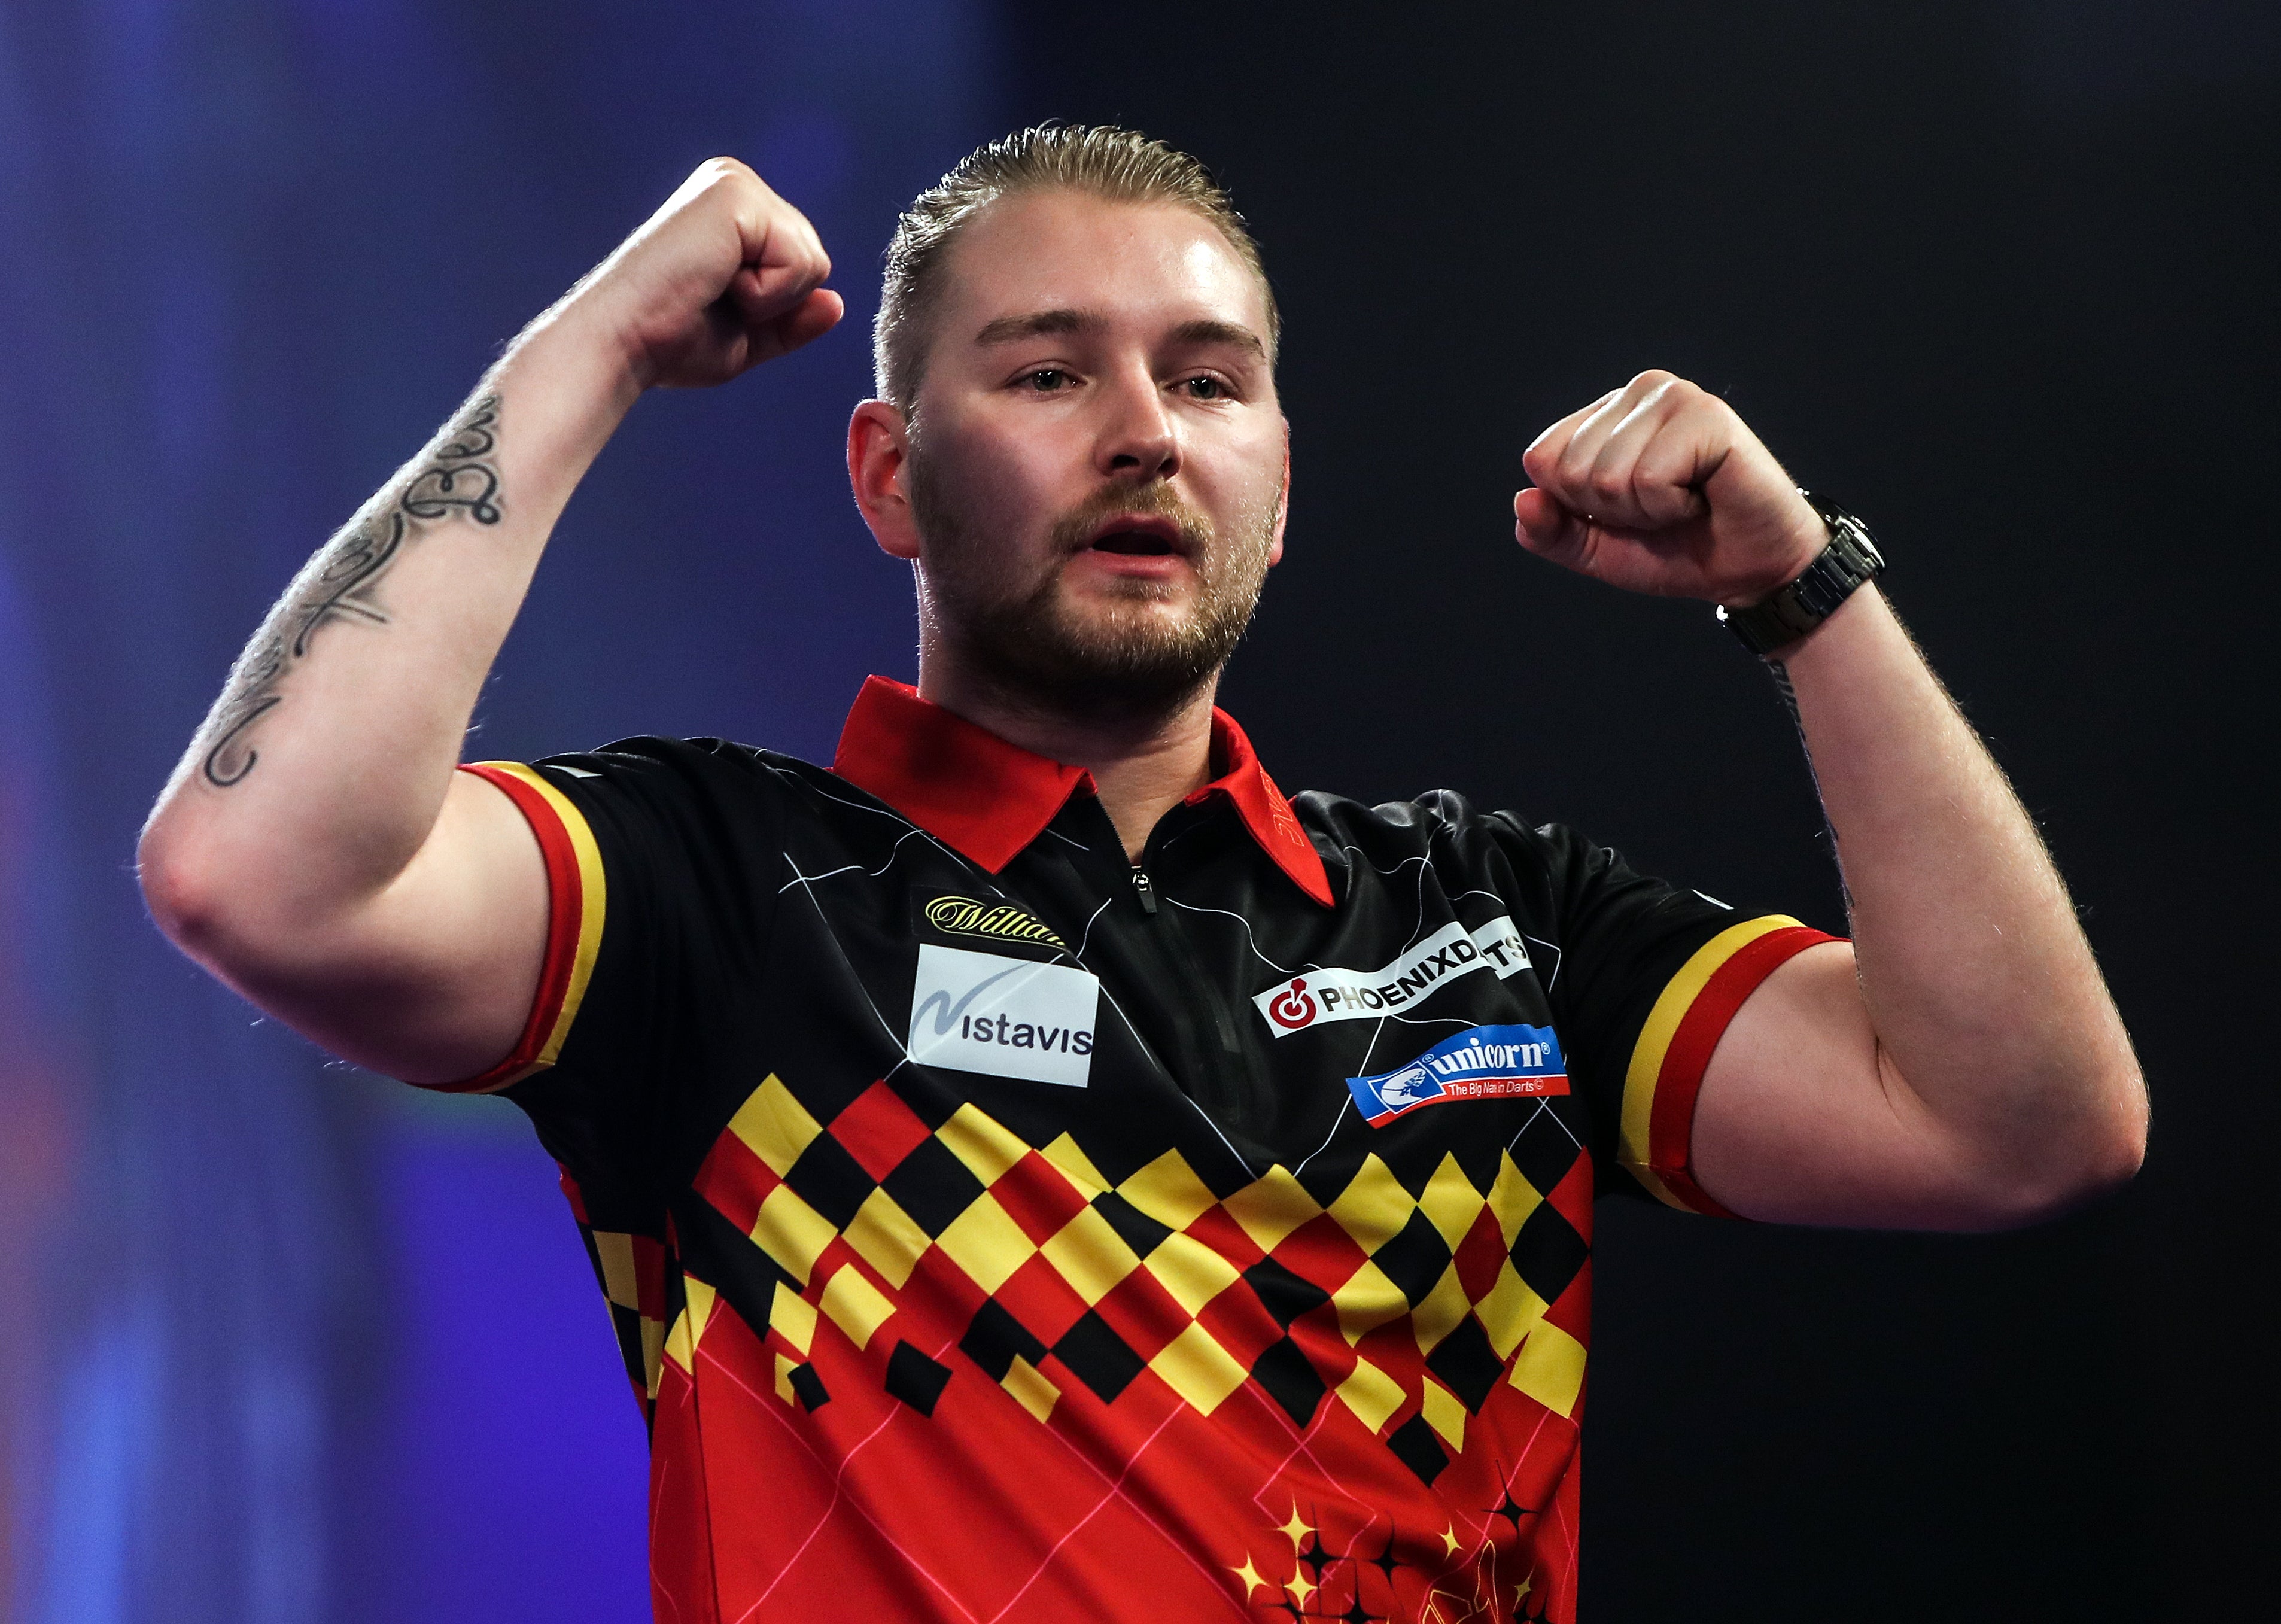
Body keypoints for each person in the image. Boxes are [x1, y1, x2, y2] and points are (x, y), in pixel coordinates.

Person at [137, 126, 2145, 1623]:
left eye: (1205, 379)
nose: (1140, 436)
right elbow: (259, 868)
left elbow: (2020, 1120)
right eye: (1042, 373)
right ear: (884, 474)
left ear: (1280, 468)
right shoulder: (713, 892)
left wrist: (1805, 596)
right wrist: (592, 348)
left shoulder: (1492, 927)